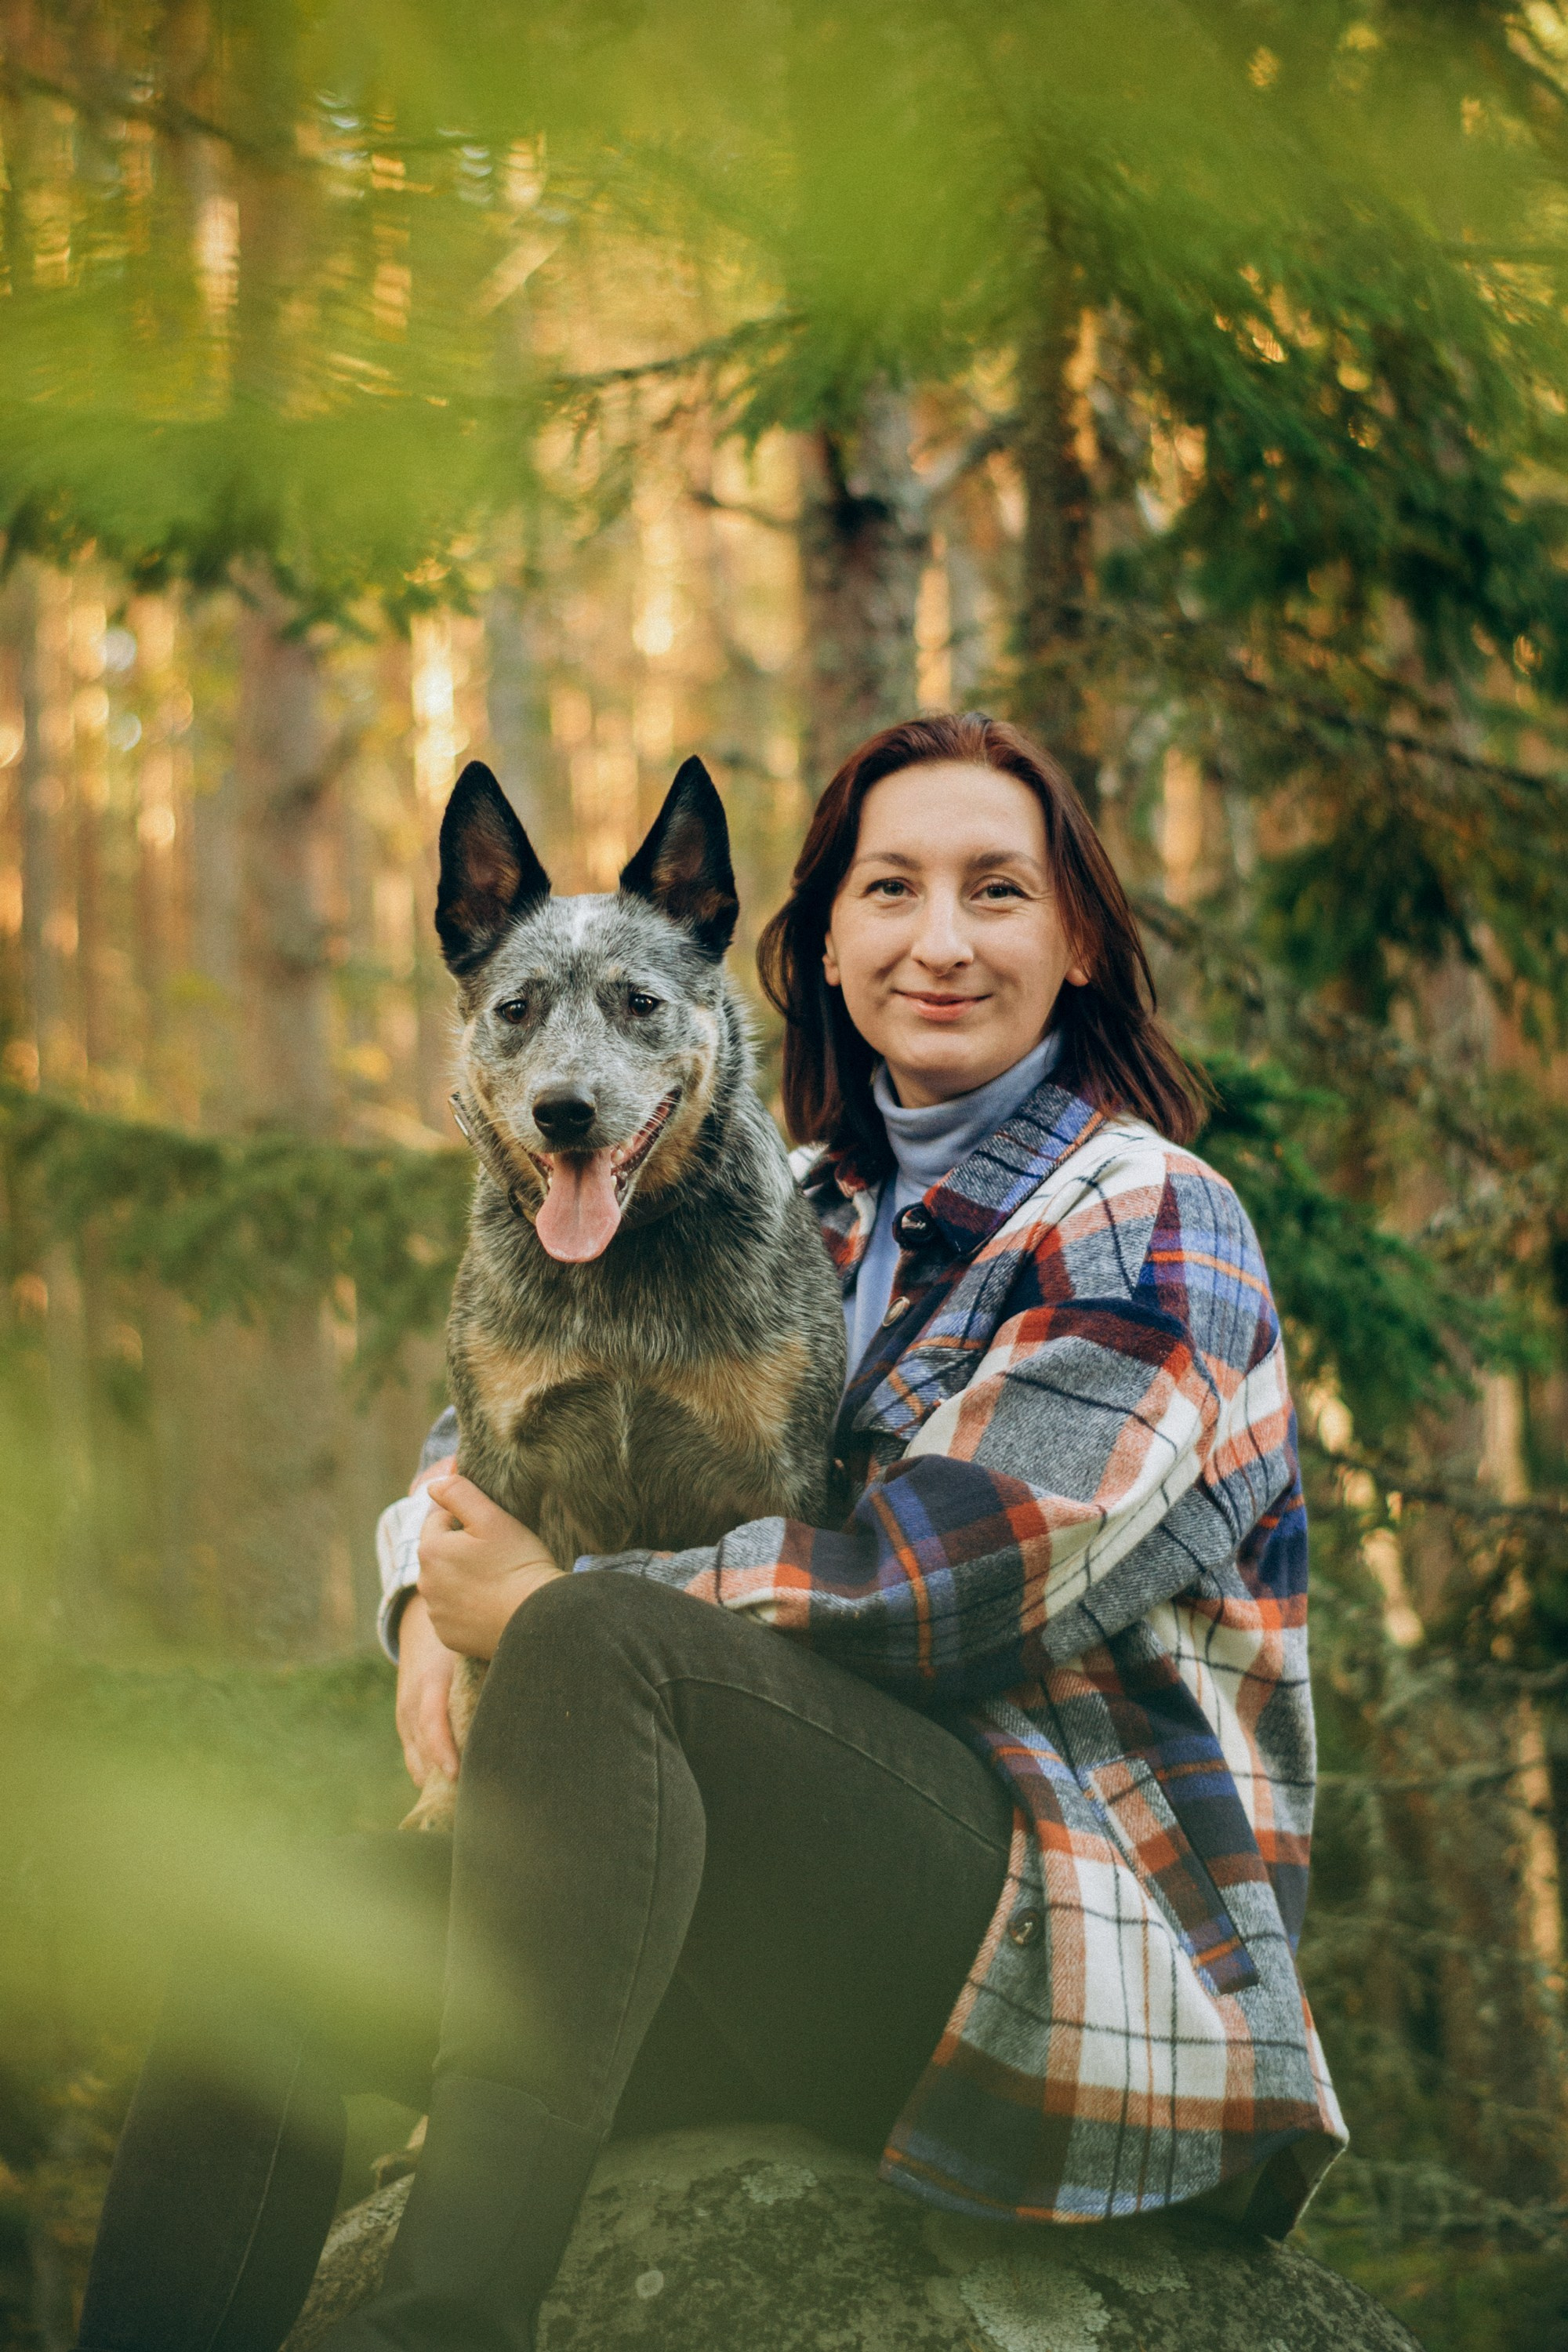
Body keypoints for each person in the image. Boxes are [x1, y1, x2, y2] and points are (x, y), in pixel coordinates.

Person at [76, 713, 1345, 2352]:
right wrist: (419, 1592)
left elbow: (955, 1582)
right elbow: (491, 1423)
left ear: (1081, 938)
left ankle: (439, 2325)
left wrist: (543, 1606)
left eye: (998, 892)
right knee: (269, 1964)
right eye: (890, 889)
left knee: (598, 1629)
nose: (939, 938)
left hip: (1061, 1955)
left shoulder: (1153, 1213)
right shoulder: (769, 1191)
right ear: (817, 941)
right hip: (746, 1934)